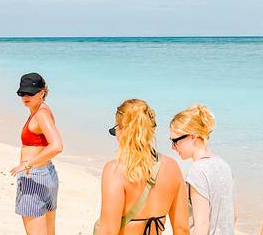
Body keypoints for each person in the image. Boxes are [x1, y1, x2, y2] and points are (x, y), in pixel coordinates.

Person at [97, 99, 189, 235]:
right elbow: (182, 229)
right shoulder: (172, 167)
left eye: (115, 130)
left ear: (122, 130)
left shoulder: (115, 171)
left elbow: (108, 231)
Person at [9, 73, 63, 235]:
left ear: (42, 92)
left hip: (34, 177)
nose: (26, 97)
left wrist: (27, 164)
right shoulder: (40, 109)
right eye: (22, 93)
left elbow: (57, 146)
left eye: (30, 93)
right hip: (47, 174)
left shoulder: (41, 114)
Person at [170, 105, 235, 235]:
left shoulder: (197, 171)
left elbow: (201, 225)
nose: (173, 147)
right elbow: (233, 217)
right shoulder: (223, 165)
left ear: (193, 137)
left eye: (175, 141)